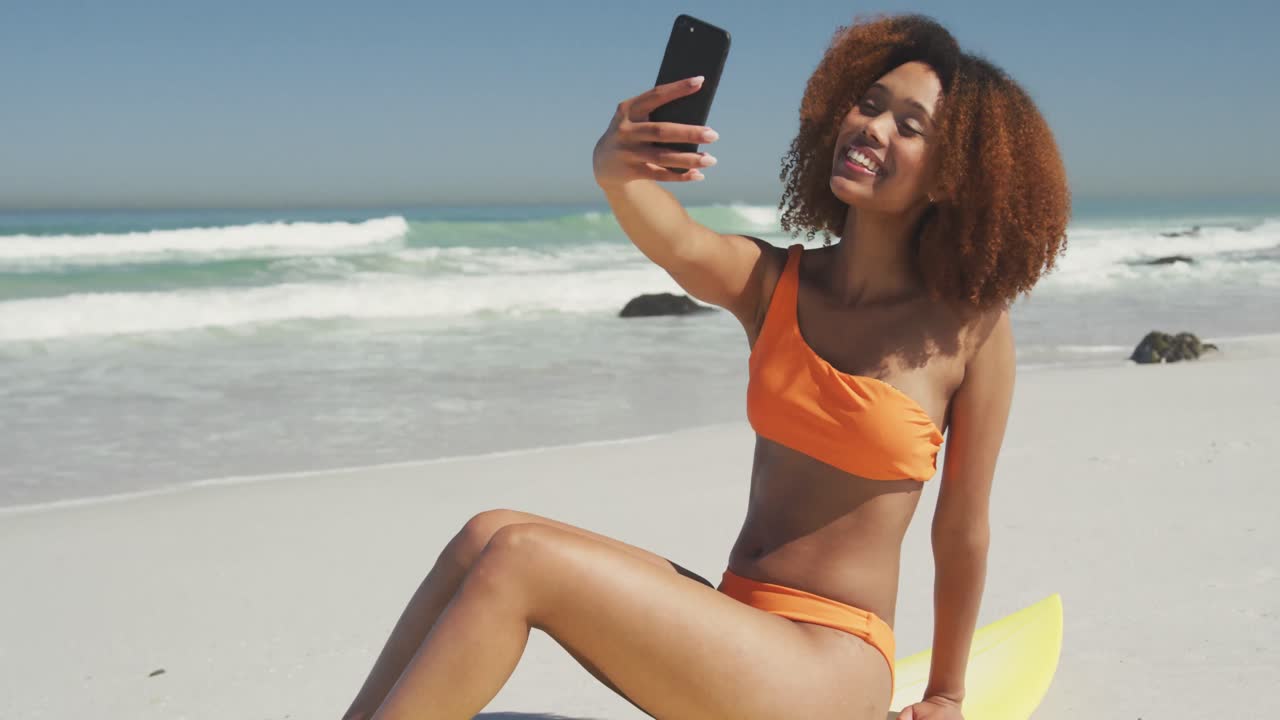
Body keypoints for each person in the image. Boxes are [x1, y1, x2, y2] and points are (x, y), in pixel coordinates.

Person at [341, 12, 1069, 720]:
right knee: (483, 535)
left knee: (522, 557)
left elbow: (962, 528)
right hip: (738, 627)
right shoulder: (773, 283)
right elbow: (677, 240)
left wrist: (946, 694)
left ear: (950, 178)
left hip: (832, 665)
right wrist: (617, 175)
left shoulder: (970, 331)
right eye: (870, 105)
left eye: (910, 126)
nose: (874, 128)